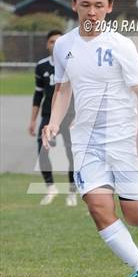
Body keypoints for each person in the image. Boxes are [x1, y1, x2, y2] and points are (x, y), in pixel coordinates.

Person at [43, 0, 138, 277]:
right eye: (85, 5)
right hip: (87, 142)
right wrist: (53, 123)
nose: (91, 11)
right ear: (74, 5)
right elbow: (63, 89)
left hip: (126, 139)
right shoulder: (63, 45)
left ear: (109, 7)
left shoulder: (121, 46)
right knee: (97, 205)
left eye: (98, 5)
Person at [29, 30, 77, 206]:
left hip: (70, 117)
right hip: (49, 118)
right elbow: (38, 95)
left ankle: (72, 191)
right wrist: (33, 120)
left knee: (72, 154)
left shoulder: (72, 63)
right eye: (51, 41)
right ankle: (50, 187)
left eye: (58, 41)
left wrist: (77, 116)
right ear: (47, 44)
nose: (55, 44)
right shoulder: (42, 66)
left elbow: (78, 92)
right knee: (42, 151)